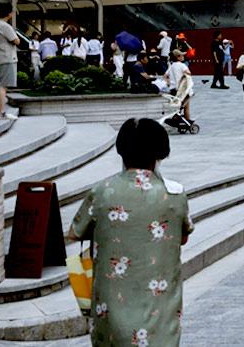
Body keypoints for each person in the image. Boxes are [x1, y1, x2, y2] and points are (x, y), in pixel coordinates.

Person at [68, 118, 192, 347]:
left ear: (121, 150)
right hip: (160, 305)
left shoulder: (102, 192)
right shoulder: (175, 195)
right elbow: (183, 236)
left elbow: (75, 232)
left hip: (112, 304)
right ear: (160, 153)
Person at [0, 7, 19, 121]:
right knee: (3, 86)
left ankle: (0, 112)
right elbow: (16, 40)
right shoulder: (4, 26)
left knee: (0, 85)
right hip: (7, 58)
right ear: (9, 14)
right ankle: (1, 113)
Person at [164, 50, 193, 121]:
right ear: (178, 57)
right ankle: (187, 120)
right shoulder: (182, 65)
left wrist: (168, 83)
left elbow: (165, 75)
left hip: (173, 89)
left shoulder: (171, 66)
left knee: (177, 107)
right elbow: (188, 73)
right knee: (186, 106)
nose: (183, 56)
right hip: (182, 89)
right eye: (182, 55)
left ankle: (176, 119)